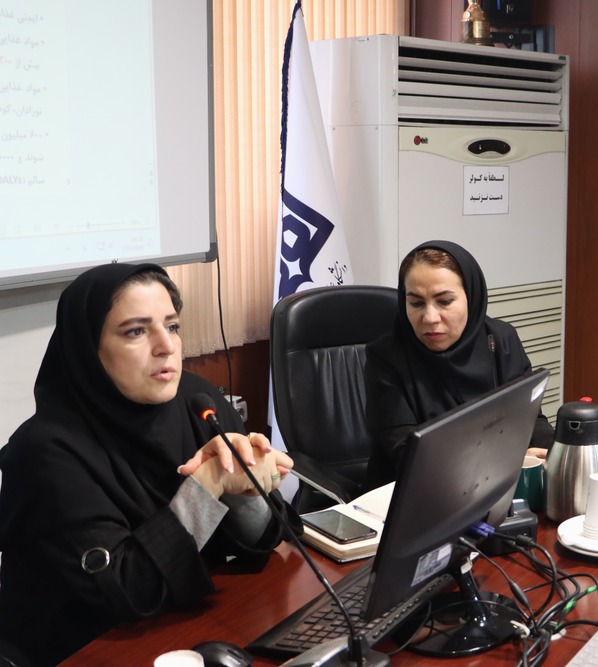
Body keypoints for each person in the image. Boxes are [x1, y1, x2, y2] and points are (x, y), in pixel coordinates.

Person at [0, 263, 297, 665]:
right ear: (89, 348)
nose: (166, 346)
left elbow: (267, 538)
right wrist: (206, 487)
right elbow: (127, 590)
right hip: (87, 648)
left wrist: (246, 490)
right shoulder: (43, 453)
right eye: (136, 331)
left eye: (172, 326)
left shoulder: (198, 401)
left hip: (189, 628)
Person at [364, 240, 554, 489]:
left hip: (495, 487)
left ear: (471, 297)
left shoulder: (501, 339)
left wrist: (556, 450)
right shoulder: (386, 357)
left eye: (444, 301)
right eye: (416, 303)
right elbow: (408, 455)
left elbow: (530, 419)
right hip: (408, 494)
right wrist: (507, 460)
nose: (430, 318)